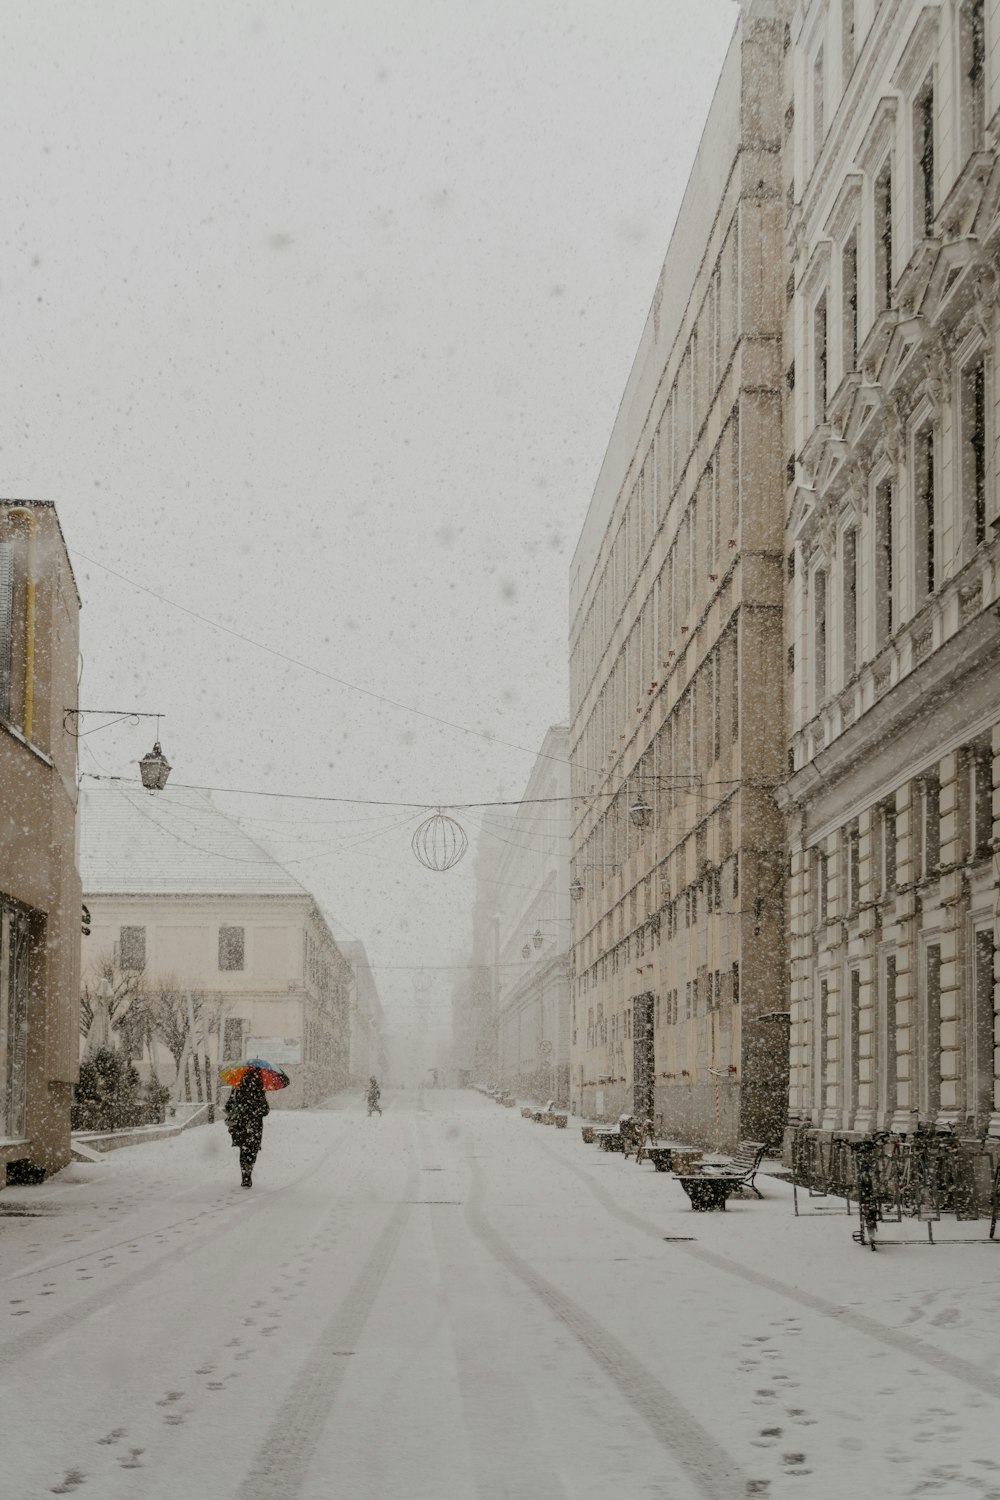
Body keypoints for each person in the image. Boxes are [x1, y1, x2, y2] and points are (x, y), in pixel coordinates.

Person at [225, 1067, 270, 1188]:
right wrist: (256, 1111)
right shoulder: (259, 1089)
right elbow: (265, 1110)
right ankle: (248, 1173)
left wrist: (238, 1110)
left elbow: (228, 1106)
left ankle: (245, 1175)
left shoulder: (237, 1087)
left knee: (243, 1149)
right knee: (252, 1150)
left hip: (240, 1124)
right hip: (255, 1125)